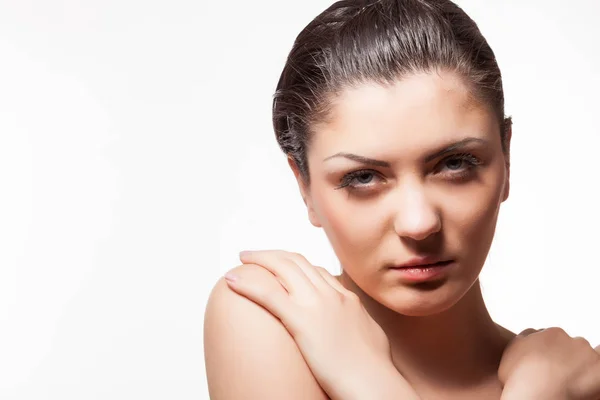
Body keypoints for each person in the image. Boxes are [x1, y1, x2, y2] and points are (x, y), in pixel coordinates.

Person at [204, 0, 600, 398]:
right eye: (362, 177)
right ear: (304, 186)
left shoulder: (580, 381)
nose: (419, 222)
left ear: (506, 160)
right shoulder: (269, 316)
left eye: (455, 164)